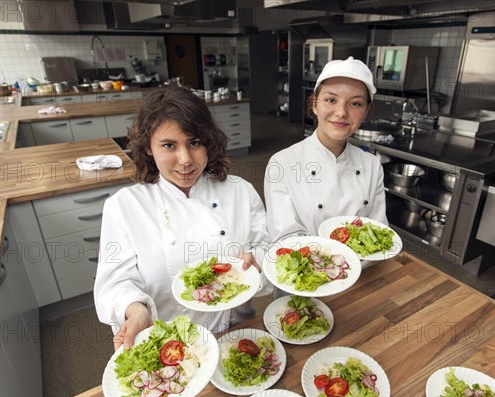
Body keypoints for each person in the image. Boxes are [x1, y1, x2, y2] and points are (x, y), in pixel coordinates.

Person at [94, 86, 269, 350]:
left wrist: (256, 263)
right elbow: (115, 282)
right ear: (149, 148)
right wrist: (135, 309)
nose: (185, 160)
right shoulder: (125, 206)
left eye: (194, 143)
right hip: (171, 343)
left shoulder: (240, 191)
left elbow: (267, 250)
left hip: (236, 330)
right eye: (169, 145)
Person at [264, 56, 388, 247]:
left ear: (366, 111)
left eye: (355, 103)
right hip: (308, 272)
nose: (341, 112)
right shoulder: (282, 163)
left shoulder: (371, 165)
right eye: (331, 100)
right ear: (315, 104)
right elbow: (285, 238)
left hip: (364, 269)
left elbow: (377, 231)